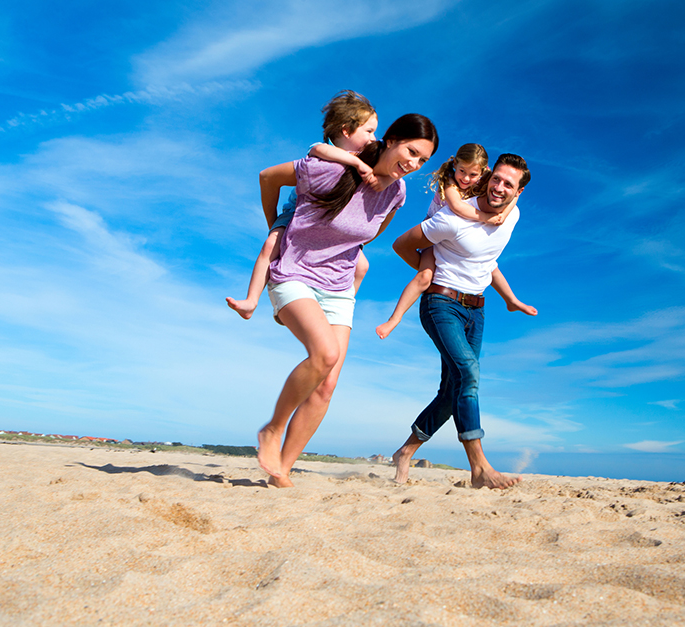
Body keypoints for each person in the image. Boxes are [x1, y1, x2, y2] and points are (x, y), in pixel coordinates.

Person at [256, 114, 439, 487]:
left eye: (422, 161)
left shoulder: (397, 193)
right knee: (325, 354)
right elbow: (267, 177)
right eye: (411, 151)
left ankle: (282, 471)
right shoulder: (333, 168)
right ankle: (272, 430)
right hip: (294, 272)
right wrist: (275, 223)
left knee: (326, 384)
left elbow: (367, 234)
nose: (414, 164)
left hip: (339, 285)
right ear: (390, 140)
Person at [390, 153, 536, 489]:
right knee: (469, 373)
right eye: (496, 179)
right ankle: (480, 467)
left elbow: (488, 261)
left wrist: (510, 299)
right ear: (489, 175)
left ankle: (405, 452)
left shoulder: (512, 215)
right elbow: (401, 244)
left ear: (519, 192)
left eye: (508, 184)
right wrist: (430, 274)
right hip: (441, 304)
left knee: (453, 389)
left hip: (477, 310)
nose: (499, 188)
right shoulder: (452, 218)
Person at [226, 90, 380, 319]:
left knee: (362, 266)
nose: (373, 138)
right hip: (298, 214)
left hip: (332, 224)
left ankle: (335, 305)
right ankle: (251, 301)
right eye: (369, 131)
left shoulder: (365, 159)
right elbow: (318, 150)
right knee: (271, 245)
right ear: (346, 130)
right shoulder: (325, 151)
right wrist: (356, 162)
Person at [375, 143, 536, 339]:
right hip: (433, 235)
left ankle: (511, 300)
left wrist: (503, 215)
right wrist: (486, 218)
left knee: (486, 264)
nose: (466, 179)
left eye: (472, 175)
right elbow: (458, 208)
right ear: (455, 166)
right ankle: (394, 319)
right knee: (425, 277)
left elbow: (513, 195)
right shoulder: (450, 182)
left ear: (484, 172)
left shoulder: (489, 181)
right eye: (462, 171)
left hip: (456, 240)